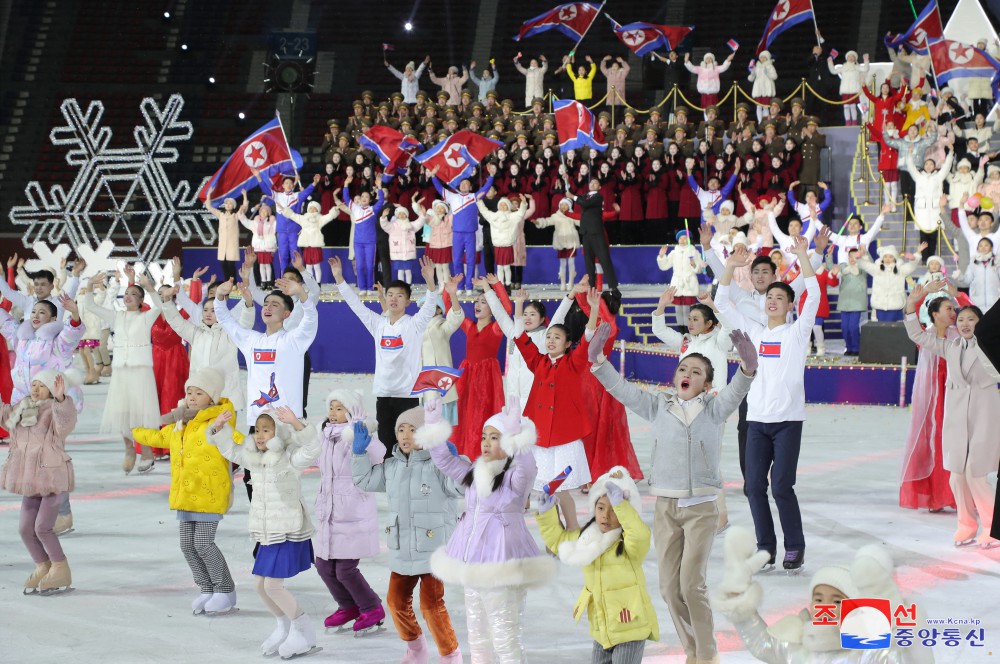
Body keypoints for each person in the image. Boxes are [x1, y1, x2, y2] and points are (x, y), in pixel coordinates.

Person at [593, 326, 758, 664]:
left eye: (697, 372)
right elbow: (622, 390)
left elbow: (737, 390)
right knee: (670, 589)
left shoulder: (714, 408)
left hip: (701, 510)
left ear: (707, 384)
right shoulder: (658, 406)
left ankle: (705, 655)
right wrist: (598, 362)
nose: (688, 374)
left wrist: (747, 368)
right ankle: (691, 647)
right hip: (666, 507)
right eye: (683, 368)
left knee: (691, 586)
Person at [419, 396, 555, 663]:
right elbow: (445, 461)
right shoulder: (474, 472)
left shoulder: (515, 480)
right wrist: (433, 425)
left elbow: (528, 469)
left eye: (495, 437)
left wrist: (518, 437)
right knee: (477, 636)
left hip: (501, 564)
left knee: (505, 636)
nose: (486, 442)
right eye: (484, 436)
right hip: (473, 564)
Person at [715, 238, 818, 573]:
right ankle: (766, 548)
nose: (773, 301)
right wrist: (730, 266)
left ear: (790, 305)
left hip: (788, 421)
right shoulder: (754, 332)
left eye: (780, 297)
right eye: (769, 297)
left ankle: (795, 547)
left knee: (782, 486)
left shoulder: (797, 333)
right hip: (757, 422)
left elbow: (813, 295)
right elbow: (722, 302)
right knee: (754, 486)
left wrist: (802, 255)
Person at [352, 405, 464, 663]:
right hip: (403, 547)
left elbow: (460, 488)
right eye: (401, 429)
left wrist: (453, 463)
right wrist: (359, 453)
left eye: (412, 429)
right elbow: (364, 480)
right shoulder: (391, 467)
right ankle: (416, 649)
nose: (404, 435)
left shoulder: (438, 465)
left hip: (434, 550)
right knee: (395, 601)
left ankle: (450, 655)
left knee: (431, 606)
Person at [208, 406, 321, 658]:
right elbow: (230, 450)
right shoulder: (254, 457)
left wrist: (297, 424)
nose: (260, 435)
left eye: (266, 430)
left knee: (272, 586)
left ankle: (303, 630)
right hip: (267, 532)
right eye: (257, 430)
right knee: (260, 585)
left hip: (287, 529)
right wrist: (218, 429)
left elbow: (312, 450)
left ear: (278, 433)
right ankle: (284, 625)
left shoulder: (289, 457)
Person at [715, 527, 911, 663]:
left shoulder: (866, 651)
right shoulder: (797, 645)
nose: (825, 606)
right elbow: (762, 644)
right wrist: (738, 599)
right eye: (818, 599)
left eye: (837, 601)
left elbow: (903, 656)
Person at [132, 368, 239, 613]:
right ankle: (206, 588)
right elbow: (160, 437)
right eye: (189, 391)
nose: (191, 396)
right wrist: (134, 428)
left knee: (203, 543)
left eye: (198, 393)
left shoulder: (219, 419)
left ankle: (225, 589)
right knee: (187, 546)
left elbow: (236, 439)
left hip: (208, 493)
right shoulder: (182, 423)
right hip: (185, 494)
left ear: (211, 397)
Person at [905, 286, 1000, 548]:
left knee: (975, 473)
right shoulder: (951, 346)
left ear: (981, 324)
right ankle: (966, 524)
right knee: (956, 475)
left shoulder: (991, 349)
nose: (965, 323)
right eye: (961, 319)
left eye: (972, 319)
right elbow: (915, 333)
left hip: (986, 415)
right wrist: (912, 303)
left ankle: (992, 527)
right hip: (956, 418)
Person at [536, 468, 658, 664]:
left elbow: (640, 534)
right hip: (602, 628)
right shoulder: (587, 538)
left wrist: (623, 507)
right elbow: (560, 542)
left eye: (614, 509)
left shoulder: (628, 544)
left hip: (630, 627)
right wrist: (547, 513)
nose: (606, 515)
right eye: (601, 508)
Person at [212, 277, 317, 499]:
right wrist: (221, 298)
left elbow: (310, 319)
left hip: (285, 424)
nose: (268, 307)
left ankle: (287, 529)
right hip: (257, 422)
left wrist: (302, 294)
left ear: (287, 314)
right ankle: (260, 529)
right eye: (266, 303)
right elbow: (226, 320)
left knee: (283, 482)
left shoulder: (294, 340)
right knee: (253, 481)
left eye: (275, 304)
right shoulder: (251, 340)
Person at [331, 256, 437, 458]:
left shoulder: (413, 325)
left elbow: (430, 305)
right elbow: (355, 305)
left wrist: (430, 281)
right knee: (387, 443)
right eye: (390, 295)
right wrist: (339, 278)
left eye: (399, 296)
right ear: (386, 299)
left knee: (410, 443)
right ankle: (391, 482)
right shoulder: (378, 324)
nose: (393, 299)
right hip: (384, 394)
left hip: (407, 395)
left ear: (407, 301)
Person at [313, 390, 387, 633]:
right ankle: (348, 606)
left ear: (351, 411)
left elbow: (379, 454)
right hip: (330, 512)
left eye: (339, 408)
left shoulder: (358, 433)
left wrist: (359, 431)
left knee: (345, 569)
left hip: (353, 512)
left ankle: (371, 606)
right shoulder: (325, 435)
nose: (333, 413)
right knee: (324, 565)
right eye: (331, 407)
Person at [2, 370, 76, 595]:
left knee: (42, 527)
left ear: (51, 390)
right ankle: (44, 565)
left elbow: (66, 422)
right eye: (33, 385)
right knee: (25, 529)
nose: (35, 389)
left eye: (41, 386)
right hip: (30, 478)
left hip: (52, 477)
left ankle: (60, 568)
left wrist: (62, 400)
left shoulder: (54, 411)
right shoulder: (23, 409)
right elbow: (5, 417)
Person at [83, 266, 161, 474]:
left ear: (141, 301)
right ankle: (129, 449)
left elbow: (161, 306)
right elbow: (90, 305)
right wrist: (90, 285)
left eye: (134, 294)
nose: (128, 296)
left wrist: (149, 287)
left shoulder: (146, 317)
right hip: (121, 372)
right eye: (126, 293)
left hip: (141, 371)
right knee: (122, 411)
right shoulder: (117, 317)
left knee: (141, 413)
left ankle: (146, 451)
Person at [149, 268, 255, 413]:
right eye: (205, 310)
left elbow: (246, 323)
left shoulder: (230, 333)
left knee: (223, 435)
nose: (208, 313)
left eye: (213, 310)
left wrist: (248, 302)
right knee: (199, 435)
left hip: (225, 396)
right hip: (198, 398)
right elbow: (175, 320)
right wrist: (167, 301)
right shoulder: (195, 332)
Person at [899, 288, 964, 513]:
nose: (953, 313)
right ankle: (938, 495)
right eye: (949, 309)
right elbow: (912, 327)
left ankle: (959, 496)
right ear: (935, 314)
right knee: (937, 444)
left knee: (959, 444)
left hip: (958, 397)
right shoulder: (926, 337)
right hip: (935, 399)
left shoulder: (960, 335)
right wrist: (915, 300)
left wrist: (960, 295)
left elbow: (977, 317)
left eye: (954, 309)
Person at [444, 274, 510, 459]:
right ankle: (462, 452)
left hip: (487, 378)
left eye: (484, 302)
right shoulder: (470, 327)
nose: (478, 305)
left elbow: (506, 308)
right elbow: (450, 309)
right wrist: (450, 291)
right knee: (463, 414)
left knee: (482, 414)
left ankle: (483, 453)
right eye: (477, 301)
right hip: (468, 375)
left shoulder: (496, 329)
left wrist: (493, 286)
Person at [484, 284, 575, 409]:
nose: (527, 317)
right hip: (512, 398)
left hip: (535, 399)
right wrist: (486, 287)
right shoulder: (514, 334)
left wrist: (572, 294)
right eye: (525, 314)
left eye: (532, 314)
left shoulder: (545, 336)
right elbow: (499, 313)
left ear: (542, 319)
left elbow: (559, 315)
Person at [430, 168, 494, 294]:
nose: (464, 185)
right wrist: (433, 176)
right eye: (462, 183)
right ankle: (460, 286)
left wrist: (491, 176)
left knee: (470, 261)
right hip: (457, 234)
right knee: (457, 261)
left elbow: (485, 189)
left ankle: (469, 287)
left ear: (470, 187)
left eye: (467, 184)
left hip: (470, 234)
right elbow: (439, 189)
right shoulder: (452, 197)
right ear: (459, 186)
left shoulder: (474, 197)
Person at [256, 171, 319, 276]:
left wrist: (314, 183)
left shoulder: (297, 196)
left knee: (295, 256)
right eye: (286, 183)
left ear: (293, 185)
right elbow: (266, 190)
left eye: (290, 183)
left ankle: (297, 278)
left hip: (294, 231)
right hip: (282, 232)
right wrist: (258, 177)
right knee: (283, 256)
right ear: (283, 185)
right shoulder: (277, 196)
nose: (288, 185)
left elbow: (307, 192)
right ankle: (284, 279)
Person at [563, 177, 620, 293]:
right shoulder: (584, 196)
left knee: (604, 259)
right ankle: (592, 286)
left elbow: (585, 203)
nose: (592, 184)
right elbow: (579, 207)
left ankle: (613, 286)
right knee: (588, 261)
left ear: (599, 187)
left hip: (597, 233)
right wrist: (567, 212)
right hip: (586, 233)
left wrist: (572, 196)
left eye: (595, 183)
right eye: (591, 182)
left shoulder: (598, 197)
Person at [333, 177, 387, 294]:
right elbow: (346, 198)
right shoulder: (355, 208)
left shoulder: (373, 209)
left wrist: (380, 187)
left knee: (369, 266)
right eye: (362, 197)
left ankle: (370, 288)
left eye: (367, 197)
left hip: (370, 242)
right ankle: (362, 288)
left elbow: (381, 200)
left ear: (370, 199)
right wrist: (346, 184)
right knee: (359, 267)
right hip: (357, 242)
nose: (364, 198)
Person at [476, 194, 534, 287]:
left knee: (507, 267)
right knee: (499, 267)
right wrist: (479, 201)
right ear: (498, 206)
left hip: (507, 245)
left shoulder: (512, 217)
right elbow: (484, 211)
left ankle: (508, 284)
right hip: (498, 245)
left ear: (508, 206)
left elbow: (521, 213)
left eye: (505, 205)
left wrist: (523, 203)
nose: (503, 207)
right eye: (501, 205)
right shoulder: (494, 217)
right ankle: (500, 284)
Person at [857, 245, 922, 322]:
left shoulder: (900, 270)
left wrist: (916, 255)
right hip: (880, 307)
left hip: (896, 306)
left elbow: (912, 266)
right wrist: (859, 257)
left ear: (894, 258)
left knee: (895, 332)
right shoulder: (876, 269)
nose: (888, 259)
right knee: (881, 331)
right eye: (885, 256)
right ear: (882, 258)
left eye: (890, 256)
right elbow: (865, 265)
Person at [531, 197, 582, 291]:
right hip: (561, 243)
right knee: (562, 264)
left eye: (566, 205)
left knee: (571, 263)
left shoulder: (572, 215)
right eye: (562, 205)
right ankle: (562, 283)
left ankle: (570, 283)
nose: (563, 207)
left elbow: (580, 222)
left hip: (571, 242)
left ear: (569, 206)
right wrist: (539, 222)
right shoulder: (556, 216)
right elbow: (547, 221)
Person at [657, 231, 705, 325]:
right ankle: (680, 330)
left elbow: (699, 269)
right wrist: (662, 256)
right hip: (677, 284)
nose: (682, 240)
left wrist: (694, 264)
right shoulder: (674, 252)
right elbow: (665, 266)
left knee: (688, 310)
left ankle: (688, 329)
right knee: (678, 309)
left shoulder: (694, 252)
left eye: (685, 238)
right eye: (680, 238)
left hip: (689, 283)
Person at [203, 191, 247, 283]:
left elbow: (244, 208)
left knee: (231, 264)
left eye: (230, 203)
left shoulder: (235, 215)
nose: (228, 205)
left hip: (231, 245)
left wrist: (244, 195)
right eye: (226, 203)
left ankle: (233, 282)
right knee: (223, 264)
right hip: (223, 245)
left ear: (233, 206)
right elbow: (209, 207)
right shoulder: (221, 214)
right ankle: (227, 282)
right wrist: (209, 194)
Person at [238, 197, 278, 288]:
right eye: (262, 211)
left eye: (266, 211)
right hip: (259, 247)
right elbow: (245, 221)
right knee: (261, 265)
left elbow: (281, 223)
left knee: (268, 265)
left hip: (267, 247)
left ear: (268, 213)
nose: (264, 213)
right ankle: (263, 282)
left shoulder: (272, 223)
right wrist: (240, 213)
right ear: (259, 213)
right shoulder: (255, 223)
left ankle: (269, 282)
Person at [836, 248, 869, 357]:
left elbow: (870, 264)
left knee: (853, 327)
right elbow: (831, 269)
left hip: (857, 303)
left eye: (856, 256)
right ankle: (849, 347)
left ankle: (856, 348)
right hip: (845, 302)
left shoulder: (862, 267)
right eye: (851, 256)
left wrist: (865, 253)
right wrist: (829, 257)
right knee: (845, 327)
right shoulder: (843, 267)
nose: (853, 259)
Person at [380, 204, 425, 284]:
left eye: (403, 213)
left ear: (406, 215)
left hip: (408, 254)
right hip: (398, 254)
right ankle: (401, 286)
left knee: (408, 271)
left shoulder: (410, 225)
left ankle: (408, 286)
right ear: (397, 215)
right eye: (400, 213)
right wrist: (383, 217)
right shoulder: (393, 226)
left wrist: (421, 214)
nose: (401, 215)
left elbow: (419, 223)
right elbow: (385, 225)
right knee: (400, 271)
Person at [827, 51, 869, 126]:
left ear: (855, 58)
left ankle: (854, 122)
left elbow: (865, 69)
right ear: (846, 58)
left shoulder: (857, 67)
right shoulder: (843, 67)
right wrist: (830, 62)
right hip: (845, 90)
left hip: (854, 90)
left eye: (852, 56)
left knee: (853, 107)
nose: (851, 58)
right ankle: (847, 123)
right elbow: (833, 71)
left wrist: (866, 60)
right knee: (846, 107)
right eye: (849, 56)